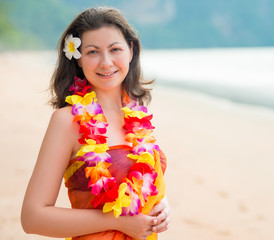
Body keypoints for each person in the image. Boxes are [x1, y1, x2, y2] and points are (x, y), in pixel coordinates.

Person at [21, 7, 170, 240]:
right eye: (92, 52)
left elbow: (147, 179)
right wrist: (119, 222)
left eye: (115, 49)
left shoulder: (136, 116)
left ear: (130, 51)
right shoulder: (66, 121)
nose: (106, 62)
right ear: (78, 59)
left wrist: (162, 206)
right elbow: (32, 218)